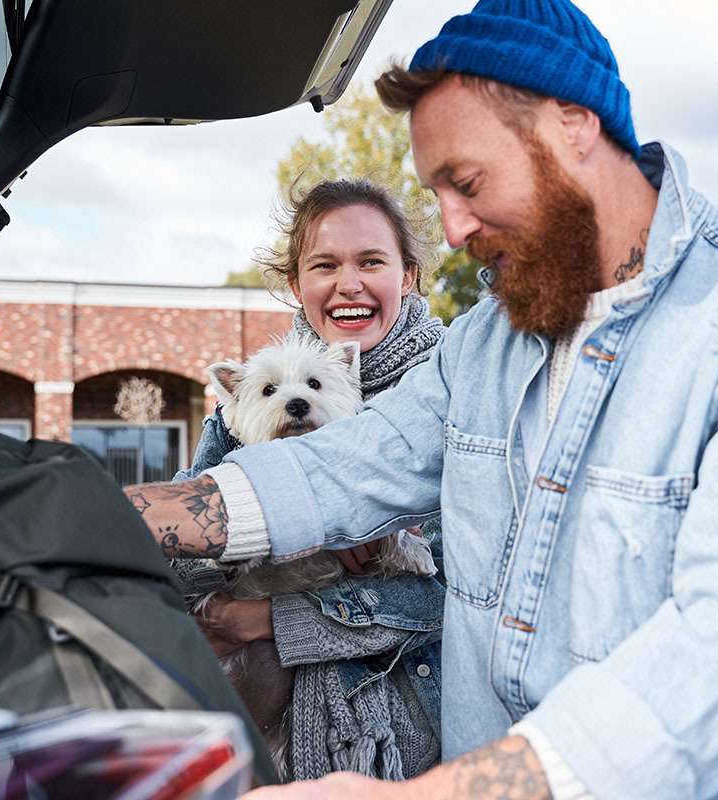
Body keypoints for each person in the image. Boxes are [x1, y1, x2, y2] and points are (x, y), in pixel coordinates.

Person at [126, 2, 718, 798]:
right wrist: (86, 509)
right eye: (437, 194)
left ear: (573, 126)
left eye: (466, 184)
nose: (454, 228)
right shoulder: (485, 344)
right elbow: (342, 467)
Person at [172, 178, 447, 781]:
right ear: (297, 285)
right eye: (326, 265)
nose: (349, 283)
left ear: (409, 275)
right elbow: (189, 569)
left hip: (403, 732)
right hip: (253, 728)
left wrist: (271, 618)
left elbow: (453, 595)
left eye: (371, 261)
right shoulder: (237, 416)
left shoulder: (452, 389)